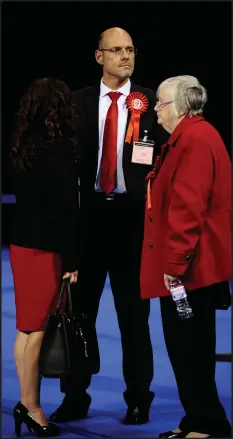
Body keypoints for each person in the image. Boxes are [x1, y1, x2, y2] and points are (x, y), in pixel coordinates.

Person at [49, 27, 167, 425]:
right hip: (88, 222)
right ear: (98, 57)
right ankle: (75, 396)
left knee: (134, 318)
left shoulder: (151, 102)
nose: (125, 56)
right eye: (115, 50)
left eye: (130, 49)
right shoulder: (77, 101)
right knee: (79, 313)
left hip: (133, 224)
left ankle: (138, 398)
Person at [140, 75, 232, 438]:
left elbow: (187, 209)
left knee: (189, 347)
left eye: (160, 103)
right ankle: (198, 417)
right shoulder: (190, 137)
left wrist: (174, 266)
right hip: (189, 271)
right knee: (187, 347)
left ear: (178, 105)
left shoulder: (193, 140)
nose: (156, 110)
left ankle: (209, 422)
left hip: (187, 273)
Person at [9, 77, 79, 437]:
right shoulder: (60, 148)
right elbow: (65, 210)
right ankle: (32, 407)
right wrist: (72, 261)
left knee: (26, 328)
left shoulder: (23, 145)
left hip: (21, 246)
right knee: (35, 332)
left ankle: (25, 402)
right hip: (46, 249)